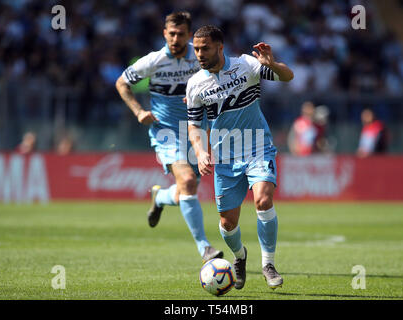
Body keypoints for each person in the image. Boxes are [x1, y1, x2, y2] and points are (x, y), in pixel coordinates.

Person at [186, 25, 294, 290]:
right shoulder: (195, 85)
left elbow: (287, 77)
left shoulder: (246, 65)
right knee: (227, 223)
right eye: (197, 49)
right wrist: (200, 152)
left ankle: (268, 264)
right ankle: (239, 256)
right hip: (224, 159)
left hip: (259, 148)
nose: (200, 54)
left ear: (220, 47)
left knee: (263, 199)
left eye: (205, 48)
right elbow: (193, 126)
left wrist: (273, 64)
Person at [115, 12, 223, 263]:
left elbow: (219, 83)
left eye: (181, 34)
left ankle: (160, 197)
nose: (175, 38)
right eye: (171, 33)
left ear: (189, 35)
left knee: (187, 187)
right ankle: (204, 248)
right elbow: (122, 83)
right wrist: (139, 111)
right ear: (164, 33)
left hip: (197, 130)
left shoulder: (199, 60)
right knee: (187, 180)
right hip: (167, 131)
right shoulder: (153, 61)